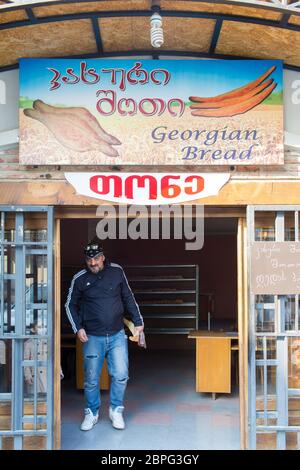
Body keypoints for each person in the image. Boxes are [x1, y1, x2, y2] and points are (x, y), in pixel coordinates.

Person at [65, 242, 144, 431]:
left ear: (103, 257)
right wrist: (78, 328)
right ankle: (91, 412)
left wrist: (138, 321)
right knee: (91, 379)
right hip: (92, 337)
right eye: (89, 259)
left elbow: (128, 297)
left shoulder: (117, 271)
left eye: (96, 258)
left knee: (121, 375)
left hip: (117, 335)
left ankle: (116, 410)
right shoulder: (80, 278)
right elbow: (69, 305)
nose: (92, 263)